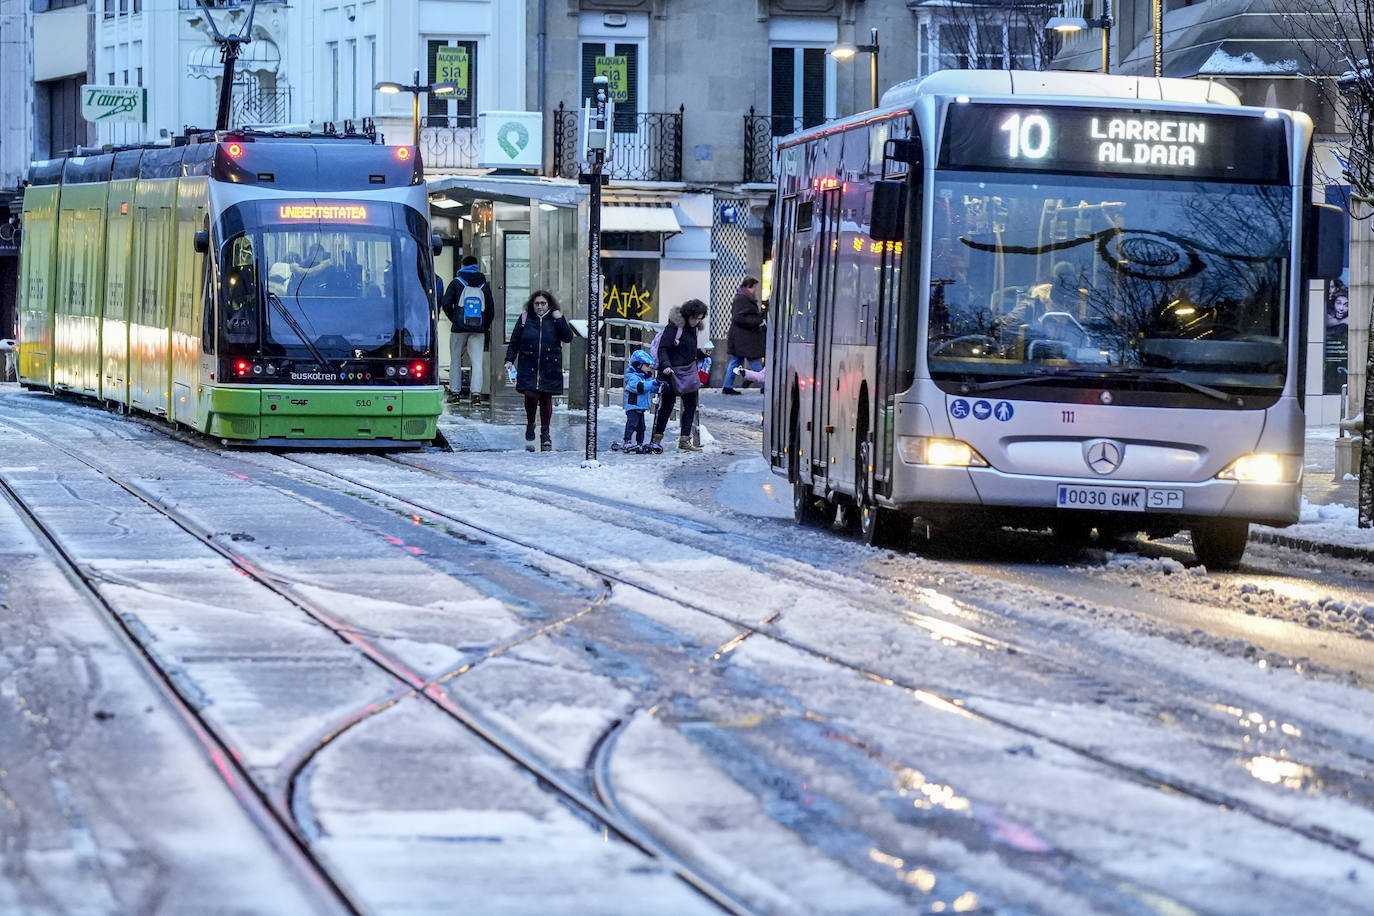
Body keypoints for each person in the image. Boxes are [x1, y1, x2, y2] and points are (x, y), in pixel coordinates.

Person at [504, 290, 573, 451]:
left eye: (543, 303)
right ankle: (530, 422)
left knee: (546, 398)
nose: (540, 307)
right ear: (532, 305)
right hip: (529, 363)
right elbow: (514, 341)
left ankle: (545, 433)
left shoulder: (555, 320)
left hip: (549, 365)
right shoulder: (525, 318)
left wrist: (559, 318)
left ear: (549, 305)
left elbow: (568, 337)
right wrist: (509, 360)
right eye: (537, 304)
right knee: (531, 395)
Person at [648, 298, 709, 454]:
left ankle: (684, 440)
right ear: (688, 315)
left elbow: (688, 350)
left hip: (688, 372)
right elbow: (663, 348)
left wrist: (701, 353)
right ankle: (657, 438)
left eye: (700, 318)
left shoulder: (694, 329)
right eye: (695, 317)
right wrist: (666, 366)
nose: (696, 321)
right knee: (666, 407)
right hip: (671, 373)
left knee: (690, 405)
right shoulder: (675, 326)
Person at [442, 255, 496, 405]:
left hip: (458, 329)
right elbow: (491, 310)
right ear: (476, 266)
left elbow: (446, 303)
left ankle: (455, 394)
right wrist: (483, 327)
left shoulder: (456, 282)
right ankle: (476, 396)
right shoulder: (483, 284)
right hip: (478, 329)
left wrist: (455, 319)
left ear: (462, 265)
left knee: (455, 360)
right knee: (477, 361)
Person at [722, 276, 765, 394]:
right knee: (754, 361)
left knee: (736, 361)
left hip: (741, 338)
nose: (755, 290)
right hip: (744, 339)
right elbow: (739, 317)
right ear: (749, 286)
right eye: (755, 287)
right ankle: (764, 385)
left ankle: (727, 386)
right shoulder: (742, 299)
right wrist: (757, 320)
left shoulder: (743, 297)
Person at [613, 348, 660, 453]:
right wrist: (653, 383)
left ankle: (640, 443)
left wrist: (659, 386)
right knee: (632, 425)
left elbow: (650, 388)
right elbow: (640, 388)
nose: (649, 369)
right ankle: (627, 441)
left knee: (641, 427)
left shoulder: (645, 378)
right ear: (638, 365)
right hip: (633, 407)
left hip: (641, 408)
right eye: (647, 366)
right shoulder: (632, 378)